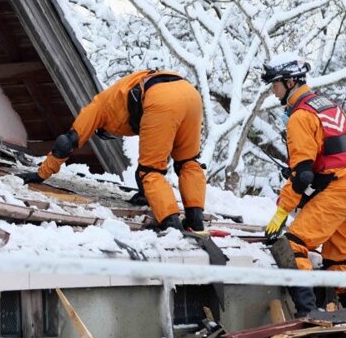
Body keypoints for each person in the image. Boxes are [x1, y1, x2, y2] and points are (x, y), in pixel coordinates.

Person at [19, 70, 206, 231]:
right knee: (188, 162)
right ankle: (196, 219)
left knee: (150, 170)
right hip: (190, 94)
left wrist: (41, 174)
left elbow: (66, 142)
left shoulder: (99, 107)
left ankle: (170, 223)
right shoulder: (120, 96)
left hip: (160, 98)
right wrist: (144, 195)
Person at [260, 54, 346, 316]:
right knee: (338, 261)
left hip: (335, 195)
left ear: (290, 82)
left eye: (275, 85)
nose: (273, 93)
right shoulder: (330, 106)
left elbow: (302, 176)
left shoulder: (300, 117)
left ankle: (309, 315)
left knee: (292, 246)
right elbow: (343, 154)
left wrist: (282, 212)